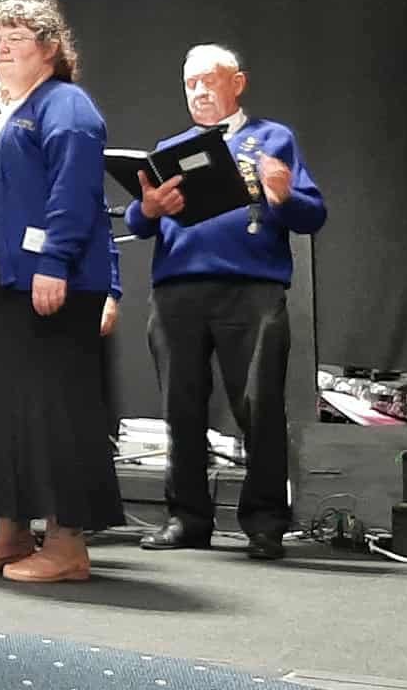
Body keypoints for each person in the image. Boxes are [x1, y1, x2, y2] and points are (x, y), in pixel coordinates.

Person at [127, 43, 326, 560]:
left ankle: (265, 522)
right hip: (177, 292)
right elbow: (137, 222)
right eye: (190, 84)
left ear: (237, 82)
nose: (198, 92)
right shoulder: (171, 147)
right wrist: (147, 208)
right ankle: (187, 518)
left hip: (251, 290)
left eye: (208, 81)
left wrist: (283, 194)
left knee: (259, 407)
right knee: (181, 407)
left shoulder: (272, 138)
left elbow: (311, 215)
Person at [0, 0, 122, 583]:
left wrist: (54, 261)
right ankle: (10, 533)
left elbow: (73, 190)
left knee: (52, 408)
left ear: (51, 48)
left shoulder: (65, 104)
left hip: (41, 279)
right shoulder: (3, 116)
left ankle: (67, 543)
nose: (1, 47)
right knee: (0, 409)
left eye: (16, 37)